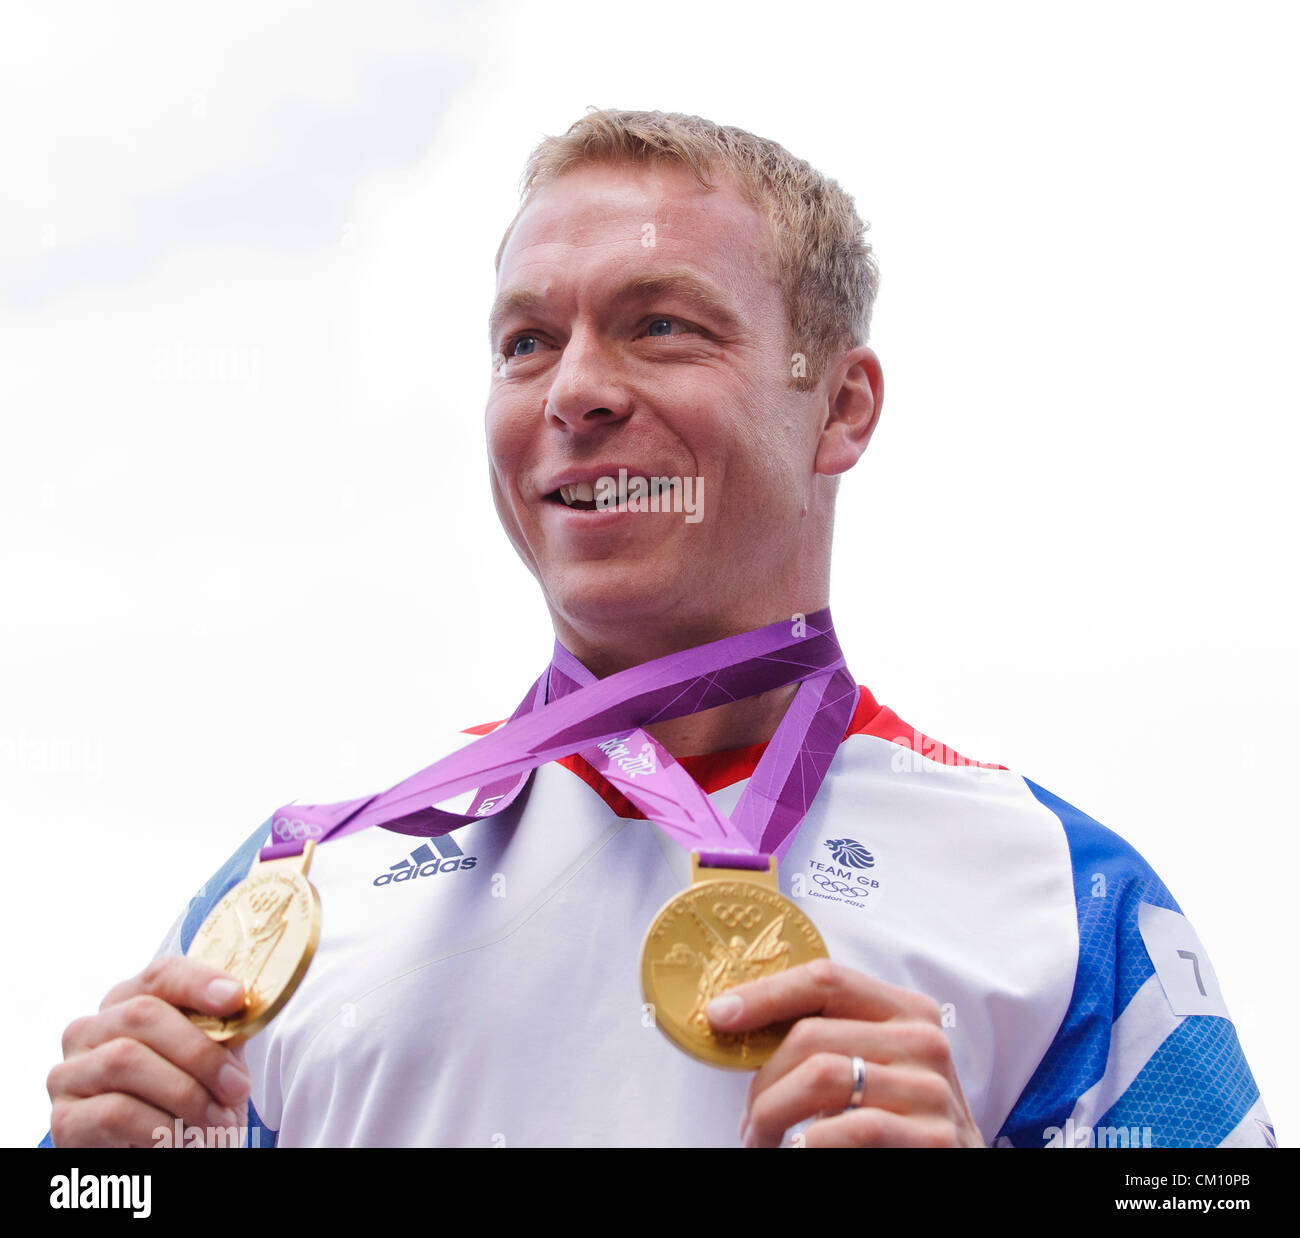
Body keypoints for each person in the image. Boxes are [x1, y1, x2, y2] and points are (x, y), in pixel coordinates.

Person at [44, 109, 1273, 1149]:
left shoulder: (1062, 894)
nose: (574, 388)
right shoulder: (293, 883)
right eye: (527, 342)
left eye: (660, 325)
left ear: (838, 407)